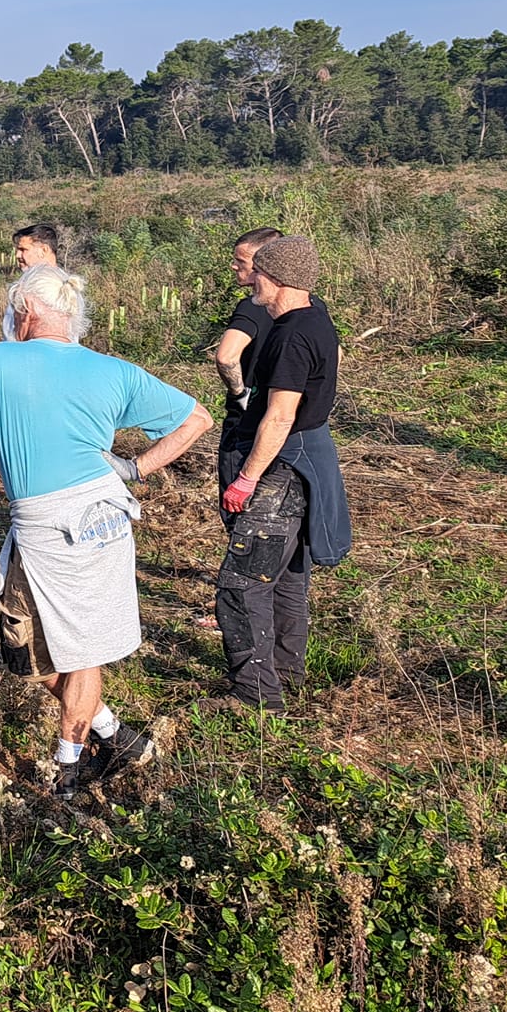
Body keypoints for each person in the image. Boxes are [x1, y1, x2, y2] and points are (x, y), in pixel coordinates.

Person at [0, 265, 214, 797]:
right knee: (33, 646)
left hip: (67, 523)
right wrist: (134, 469)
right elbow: (197, 418)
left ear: (25, 312)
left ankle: (68, 770)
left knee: (74, 647)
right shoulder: (108, 369)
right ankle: (114, 735)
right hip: (84, 520)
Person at [212, 236, 352, 712]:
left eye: (256, 273)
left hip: (281, 469)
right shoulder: (316, 316)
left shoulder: (291, 335)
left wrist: (246, 479)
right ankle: (288, 672)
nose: (250, 280)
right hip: (307, 461)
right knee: (289, 574)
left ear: (273, 278)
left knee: (242, 582)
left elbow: (279, 416)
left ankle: (255, 695)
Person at [212, 225, 283, 495]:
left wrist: (239, 394)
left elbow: (226, 356)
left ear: (262, 265)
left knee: (239, 507)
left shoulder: (252, 307)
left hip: (247, 423)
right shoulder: (310, 304)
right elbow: (335, 355)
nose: (233, 266)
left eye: (240, 261)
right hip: (288, 422)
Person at [0, 224, 62, 339]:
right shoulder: (24, 285)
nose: (18, 255)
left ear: (44, 250)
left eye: (23, 250)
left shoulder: (65, 288)